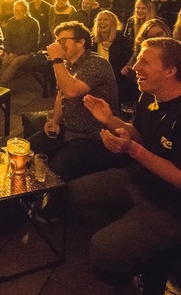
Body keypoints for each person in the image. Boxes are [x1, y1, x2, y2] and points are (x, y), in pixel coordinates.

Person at [77, 37, 181, 280]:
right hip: (143, 180)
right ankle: (132, 231)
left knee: (101, 250)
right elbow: (141, 135)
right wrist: (110, 120)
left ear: (170, 71)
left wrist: (133, 150)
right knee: (76, 192)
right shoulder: (149, 95)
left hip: (178, 208)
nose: (135, 67)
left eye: (144, 62)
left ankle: (148, 266)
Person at [23, 21, 121, 221]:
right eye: (57, 41)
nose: (59, 45)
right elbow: (61, 95)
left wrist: (57, 59)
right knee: (25, 149)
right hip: (68, 129)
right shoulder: (68, 64)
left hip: (94, 136)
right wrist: (55, 120)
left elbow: (71, 89)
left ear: (81, 42)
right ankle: (26, 195)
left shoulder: (96, 63)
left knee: (58, 167)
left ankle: (55, 212)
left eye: (63, 41)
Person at [92, 10, 134, 105]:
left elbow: (124, 68)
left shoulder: (124, 42)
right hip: (95, 85)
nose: (102, 22)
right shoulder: (92, 43)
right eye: (99, 20)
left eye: (106, 19)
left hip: (118, 84)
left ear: (113, 23)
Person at [0, 0, 40, 86]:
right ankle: (1, 85)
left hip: (26, 52)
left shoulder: (33, 23)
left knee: (14, 62)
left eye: (20, 10)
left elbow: (33, 44)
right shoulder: (11, 21)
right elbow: (7, 39)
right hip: (12, 50)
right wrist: (10, 52)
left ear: (26, 11)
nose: (17, 12)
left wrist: (17, 53)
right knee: (5, 61)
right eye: (15, 10)